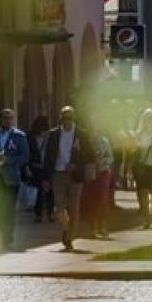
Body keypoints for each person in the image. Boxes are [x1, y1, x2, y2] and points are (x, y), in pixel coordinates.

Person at [0, 108, 31, 249]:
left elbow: (25, 157)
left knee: (8, 209)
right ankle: (2, 232)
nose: (8, 121)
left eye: (11, 118)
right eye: (5, 118)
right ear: (0, 119)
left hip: (11, 178)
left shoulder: (19, 136)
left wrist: (8, 159)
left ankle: (6, 238)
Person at [41, 105, 88, 251]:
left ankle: (69, 238)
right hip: (58, 173)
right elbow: (48, 157)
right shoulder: (53, 134)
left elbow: (89, 155)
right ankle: (67, 229)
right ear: (60, 118)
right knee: (59, 207)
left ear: (74, 118)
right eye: (65, 118)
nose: (67, 121)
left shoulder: (81, 134)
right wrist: (45, 178)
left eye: (70, 118)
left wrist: (75, 165)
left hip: (75, 175)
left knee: (74, 208)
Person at [81, 118, 114, 239]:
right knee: (89, 200)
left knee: (102, 200)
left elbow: (111, 157)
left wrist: (102, 161)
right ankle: (92, 227)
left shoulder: (104, 141)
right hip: (89, 173)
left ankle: (102, 226)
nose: (93, 130)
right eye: (91, 127)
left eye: (95, 127)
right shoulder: (83, 141)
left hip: (102, 173)